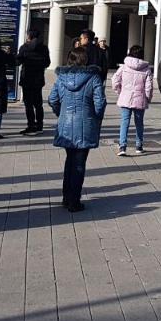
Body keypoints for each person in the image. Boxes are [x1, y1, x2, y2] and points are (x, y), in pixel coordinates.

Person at [49, 47, 108, 212]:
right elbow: (100, 103)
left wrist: (60, 112)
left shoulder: (61, 77)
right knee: (79, 163)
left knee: (69, 161)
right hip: (85, 124)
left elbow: (52, 99)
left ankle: (66, 197)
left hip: (66, 124)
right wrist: (96, 118)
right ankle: (74, 201)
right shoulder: (93, 78)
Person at [112, 44, 153, 155]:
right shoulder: (146, 69)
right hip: (140, 98)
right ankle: (139, 146)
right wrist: (147, 98)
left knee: (124, 122)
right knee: (139, 123)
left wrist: (120, 91)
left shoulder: (124, 67)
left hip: (125, 97)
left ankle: (122, 147)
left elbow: (115, 80)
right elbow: (148, 87)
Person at [17, 27, 51, 135]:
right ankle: (39, 124)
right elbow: (47, 63)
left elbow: (18, 61)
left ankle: (31, 125)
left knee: (28, 104)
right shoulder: (44, 48)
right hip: (38, 79)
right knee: (38, 103)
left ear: (29, 36)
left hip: (27, 79)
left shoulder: (24, 47)